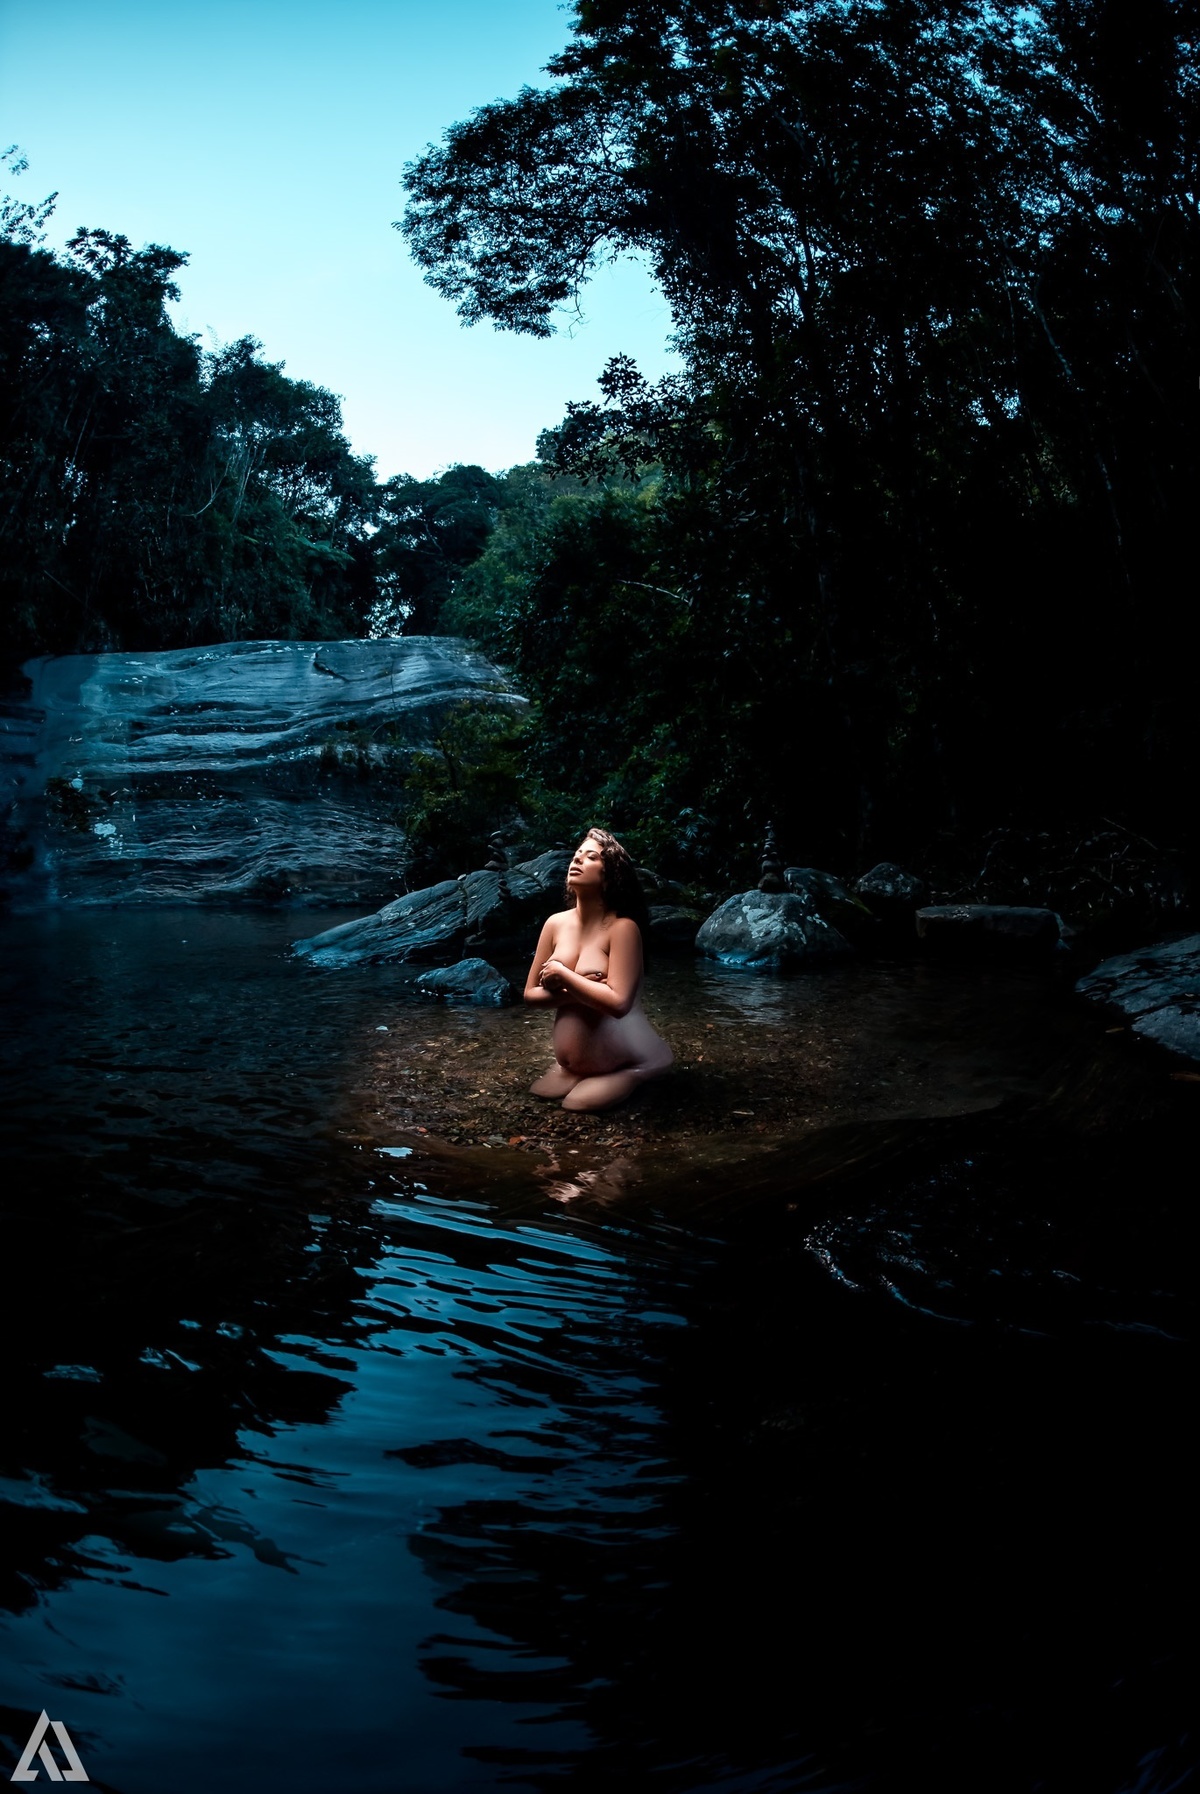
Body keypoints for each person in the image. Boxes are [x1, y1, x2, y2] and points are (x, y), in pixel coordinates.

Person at [524, 829, 673, 1112]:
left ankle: (643, 1071)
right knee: (539, 1093)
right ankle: (577, 1070)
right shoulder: (554, 924)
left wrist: (563, 975)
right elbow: (530, 995)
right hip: (571, 1064)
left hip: (631, 1059)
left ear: (609, 876)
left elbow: (618, 1004)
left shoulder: (622, 929)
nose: (577, 861)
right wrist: (581, 989)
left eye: (590, 857)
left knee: (576, 1104)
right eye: (576, 855)